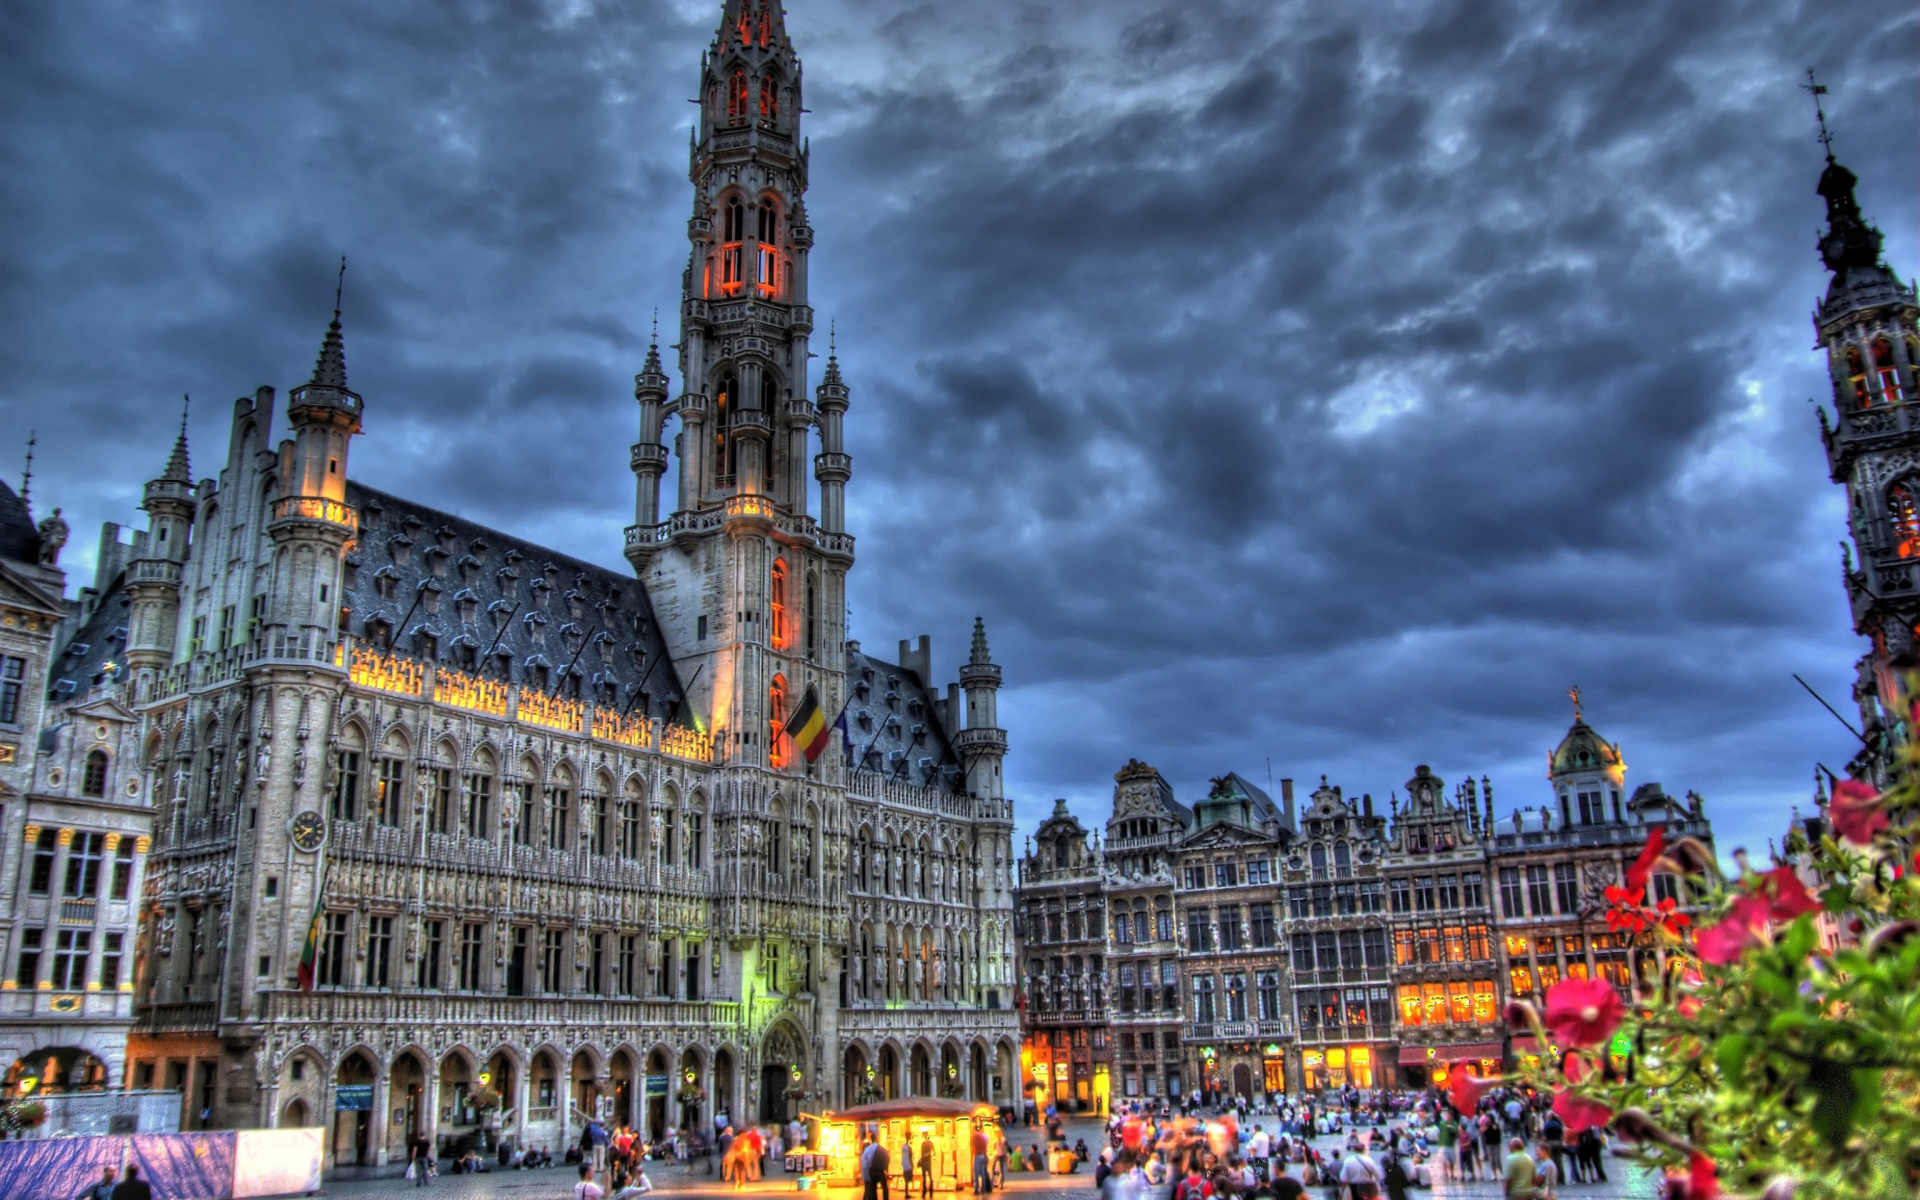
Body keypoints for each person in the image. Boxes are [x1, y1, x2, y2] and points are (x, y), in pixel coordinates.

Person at [919, 1132, 935, 1200]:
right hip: (926, 1162)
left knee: (926, 1177)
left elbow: (933, 1153)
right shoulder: (928, 1143)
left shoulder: (926, 1144)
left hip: (926, 1162)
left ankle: (926, 1191)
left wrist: (925, 1156)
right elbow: (933, 1153)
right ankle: (928, 1191)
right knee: (927, 1177)